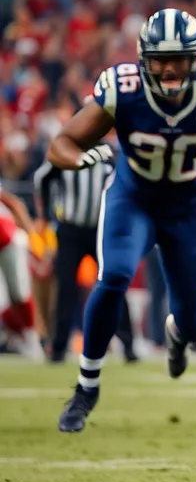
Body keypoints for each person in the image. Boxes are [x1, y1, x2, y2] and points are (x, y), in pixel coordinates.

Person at [53, 8, 196, 433]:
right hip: (134, 200)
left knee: (195, 324)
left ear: (195, 59)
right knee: (115, 277)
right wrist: (82, 157)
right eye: (159, 59)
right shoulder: (121, 89)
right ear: (144, 59)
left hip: (187, 209)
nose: (167, 68)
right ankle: (87, 386)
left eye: (178, 58)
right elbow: (63, 142)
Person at [32, 145, 138, 363]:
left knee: (114, 283)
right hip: (70, 230)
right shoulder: (66, 155)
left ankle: (128, 344)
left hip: (100, 230)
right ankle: (59, 347)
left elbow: (126, 185)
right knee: (65, 288)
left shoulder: (108, 156)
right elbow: (42, 177)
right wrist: (46, 215)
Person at [0, 179, 39, 357]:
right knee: (2, 302)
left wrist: (31, 234)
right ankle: (16, 337)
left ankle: (31, 338)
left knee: (20, 292)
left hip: (8, 241)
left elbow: (15, 204)